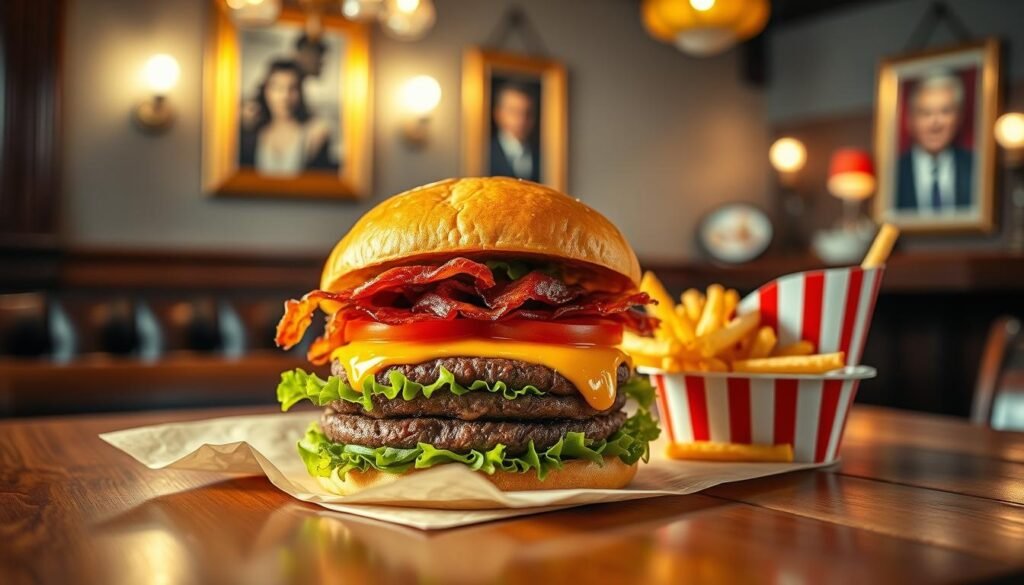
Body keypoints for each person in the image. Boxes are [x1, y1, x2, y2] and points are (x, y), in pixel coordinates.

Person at [895, 71, 974, 213]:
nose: (935, 124)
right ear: (910, 120)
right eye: (925, 113)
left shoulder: (975, 167)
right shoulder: (893, 172)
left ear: (959, 117)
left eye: (945, 111)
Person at [239, 59, 335, 175]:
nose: (285, 96)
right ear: (266, 91)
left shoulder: (312, 134)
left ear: (300, 93)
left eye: (292, 88)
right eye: (277, 88)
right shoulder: (253, 134)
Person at [489, 82, 540, 182]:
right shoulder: (484, 153)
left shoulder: (542, 155)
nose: (521, 120)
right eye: (513, 111)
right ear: (498, 114)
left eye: (527, 113)